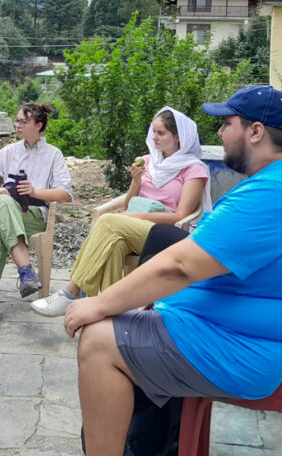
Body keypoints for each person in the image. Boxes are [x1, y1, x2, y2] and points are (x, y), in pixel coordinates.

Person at [66, 86, 282, 456]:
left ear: (255, 131)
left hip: (253, 352)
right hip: (256, 332)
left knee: (99, 340)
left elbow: (180, 267)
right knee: (141, 302)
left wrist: (98, 304)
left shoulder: (274, 192)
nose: (220, 134)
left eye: (227, 124)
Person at [31, 107, 208, 318]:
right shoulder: (149, 161)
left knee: (107, 222)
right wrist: (136, 180)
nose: (154, 138)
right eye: (154, 132)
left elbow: (181, 215)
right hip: (135, 227)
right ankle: (110, 317)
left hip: (165, 232)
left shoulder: (193, 169)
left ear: (178, 138)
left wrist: (137, 217)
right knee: (114, 244)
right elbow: (129, 203)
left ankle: (70, 293)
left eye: (161, 133)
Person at [0, 102, 73, 324]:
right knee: (2, 203)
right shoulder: (8, 151)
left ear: (38, 125)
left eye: (23, 121)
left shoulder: (53, 155)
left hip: (33, 215)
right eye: (17, 120)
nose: (17, 125)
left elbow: (65, 193)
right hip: (4, 207)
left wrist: (36, 191)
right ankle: (26, 271)